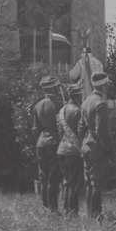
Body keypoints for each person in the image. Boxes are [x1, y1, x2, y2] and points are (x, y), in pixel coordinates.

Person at [80, 72, 112, 220]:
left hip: (86, 144)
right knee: (96, 183)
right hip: (96, 147)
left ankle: (89, 213)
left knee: (89, 182)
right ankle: (96, 215)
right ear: (104, 85)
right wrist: (107, 148)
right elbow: (101, 130)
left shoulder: (86, 101)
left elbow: (81, 127)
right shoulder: (100, 103)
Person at [33, 75, 62, 211]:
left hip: (40, 142)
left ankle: (44, 206)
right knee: (53, 177)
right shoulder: (57, 104)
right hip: (53, 141)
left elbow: (35, 128)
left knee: (43, 176)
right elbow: (60, 125)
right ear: (54, 88)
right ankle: (53, 208)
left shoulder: (38, 105)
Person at [56, 82, 84, 215]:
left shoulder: (61, 110)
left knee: (66, 182)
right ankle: (72, 211)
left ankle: (66, 209)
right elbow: (80, 131)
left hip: (61, 149)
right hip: (73, 151)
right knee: (74, 183)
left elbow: (59, 132)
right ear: (77, 96)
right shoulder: (78, 111)